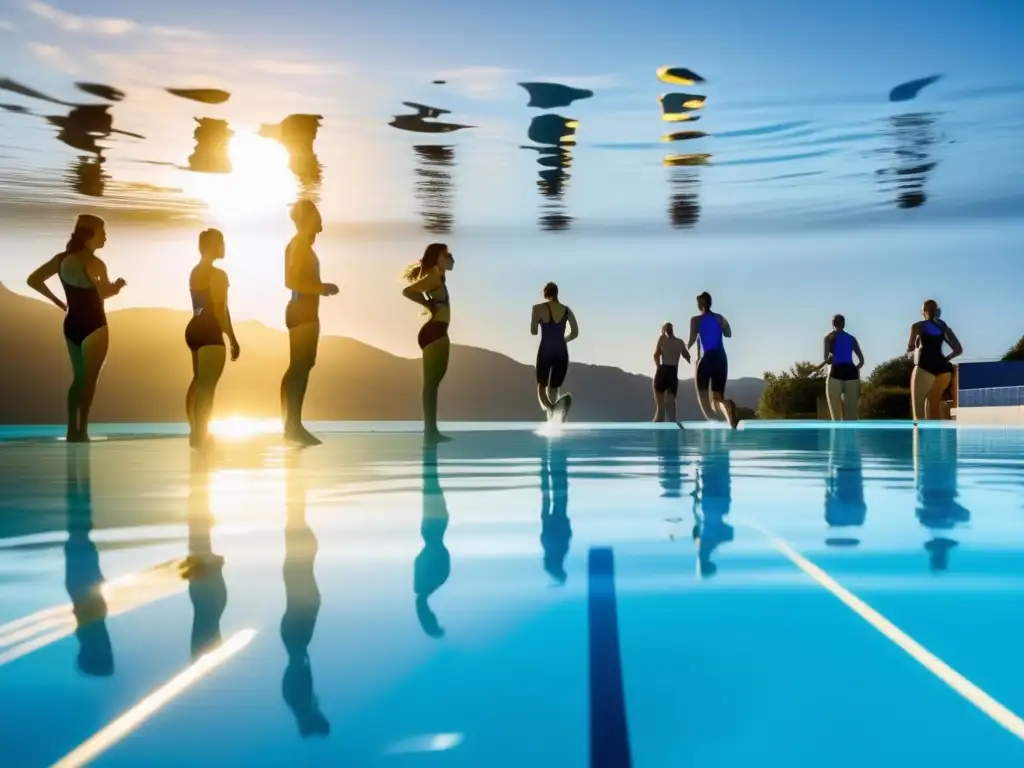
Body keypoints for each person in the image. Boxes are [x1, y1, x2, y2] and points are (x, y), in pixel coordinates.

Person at [27, 214, 126, 442]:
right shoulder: (97, 264)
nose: (105, 236)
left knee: (78, 379)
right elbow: (102, 293)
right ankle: (83, 431)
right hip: (94, 325)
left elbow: (33, 280)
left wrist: (58, 302)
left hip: (71, 324)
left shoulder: (61, 260)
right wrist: (118, 287)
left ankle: (72, 430)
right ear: (90, 234)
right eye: (102, 231)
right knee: (89, 380)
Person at [281, 200, 338, 446]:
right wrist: (321, 288)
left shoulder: (304, 245)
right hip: (301, 311)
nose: (320, 217)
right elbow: (291, 281)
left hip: (306, 312)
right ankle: (292, 425)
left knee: (303, 366)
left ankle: (292, 423)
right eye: (316, 214)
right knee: (298, 367)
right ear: (306, 218)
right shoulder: (298, 246)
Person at [185, 229, 240, 450]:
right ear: (214, 246)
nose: (224, 246)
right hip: (209, 332)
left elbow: (200, 305)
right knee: (207, 389)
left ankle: (195, 433)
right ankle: (201, 437)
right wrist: (232, 338)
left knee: (198, 383)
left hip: (194, 329)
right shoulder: (218, 275)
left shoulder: (195, 271)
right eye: (222, 242)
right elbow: (220, 309)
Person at [402, 243, 456, 444]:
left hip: (436, 330)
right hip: (435, 331)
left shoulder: (439, 276)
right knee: (431, 384)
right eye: (446, 254)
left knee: (433, 383)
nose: (451, 258)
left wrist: (429, 302)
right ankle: (430, 432)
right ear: (437, 258)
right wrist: (426, 304)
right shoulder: (434, 275)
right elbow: (408, 291)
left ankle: (431, 430)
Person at [686, 291, 739, 428]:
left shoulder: (695, 320)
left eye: (698, 303)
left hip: (706, 360)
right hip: (721, 359)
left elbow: (691, 340)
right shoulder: (720, 318)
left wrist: (684, 351)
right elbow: (729, 334)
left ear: (702, 304)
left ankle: (714, 430)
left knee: (705, 403)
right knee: (718, 399)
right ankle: (727, 408)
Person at [907, 299, 962, 421]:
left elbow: (909, 351)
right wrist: (945, 359)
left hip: (925, 367)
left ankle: (919, 437)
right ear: (937, 311)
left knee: (918, 408)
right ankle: (934, 438)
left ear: (924, 312)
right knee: (933, 402)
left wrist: (916, 349)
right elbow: (958, 349)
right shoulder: (943, 327)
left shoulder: (917, 326)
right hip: (943, 369)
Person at [530, 282, 579, 418]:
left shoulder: (537, 309)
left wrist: (539, 322)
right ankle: (555, 412)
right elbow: (575, 333)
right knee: (554, 387)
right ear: (557, 293)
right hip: (561, 351)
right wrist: (564, 340)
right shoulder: (567, 311)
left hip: (546, 350)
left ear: (545, 293)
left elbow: (533, 332)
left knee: (541, 385)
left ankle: (550, 408)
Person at [815, 314, 865, 421]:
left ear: (833, 323)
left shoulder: (829, 337)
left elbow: (826, 359)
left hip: (836, 373)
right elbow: (861, 361)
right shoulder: (851, 338)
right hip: (849, 373)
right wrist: (856, 369)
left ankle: (838, 435)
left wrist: (831, 356)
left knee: (836, 418)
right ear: (844, 324)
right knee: (850, 418)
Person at [652, 322, 690, 422]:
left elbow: (656, 355)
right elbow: (687, 356)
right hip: (669, 372)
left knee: (662, 408)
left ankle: (662, 426)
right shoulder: (677, 342)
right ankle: (671, 423)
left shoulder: (664, 340)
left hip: (664, 371)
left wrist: (658, 367)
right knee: (668, 404)